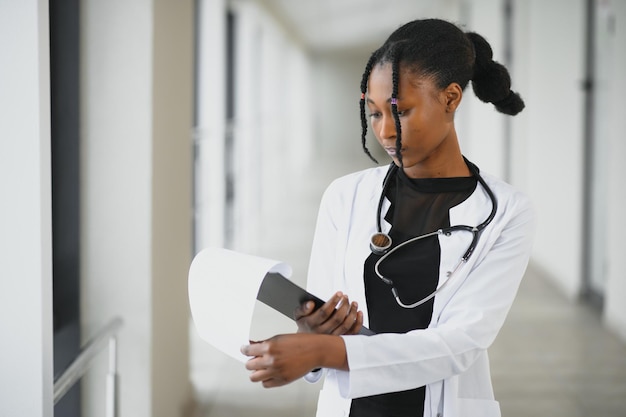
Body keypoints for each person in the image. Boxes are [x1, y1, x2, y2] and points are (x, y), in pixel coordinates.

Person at [240, 18, 535, 417]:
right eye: (374, 113)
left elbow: (462, 343)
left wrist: (326, 349)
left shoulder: (506, 213)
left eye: (401, 111)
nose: (385, 132)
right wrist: (310, 338)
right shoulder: (345, 197)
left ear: (450, 99)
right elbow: (321, 320)